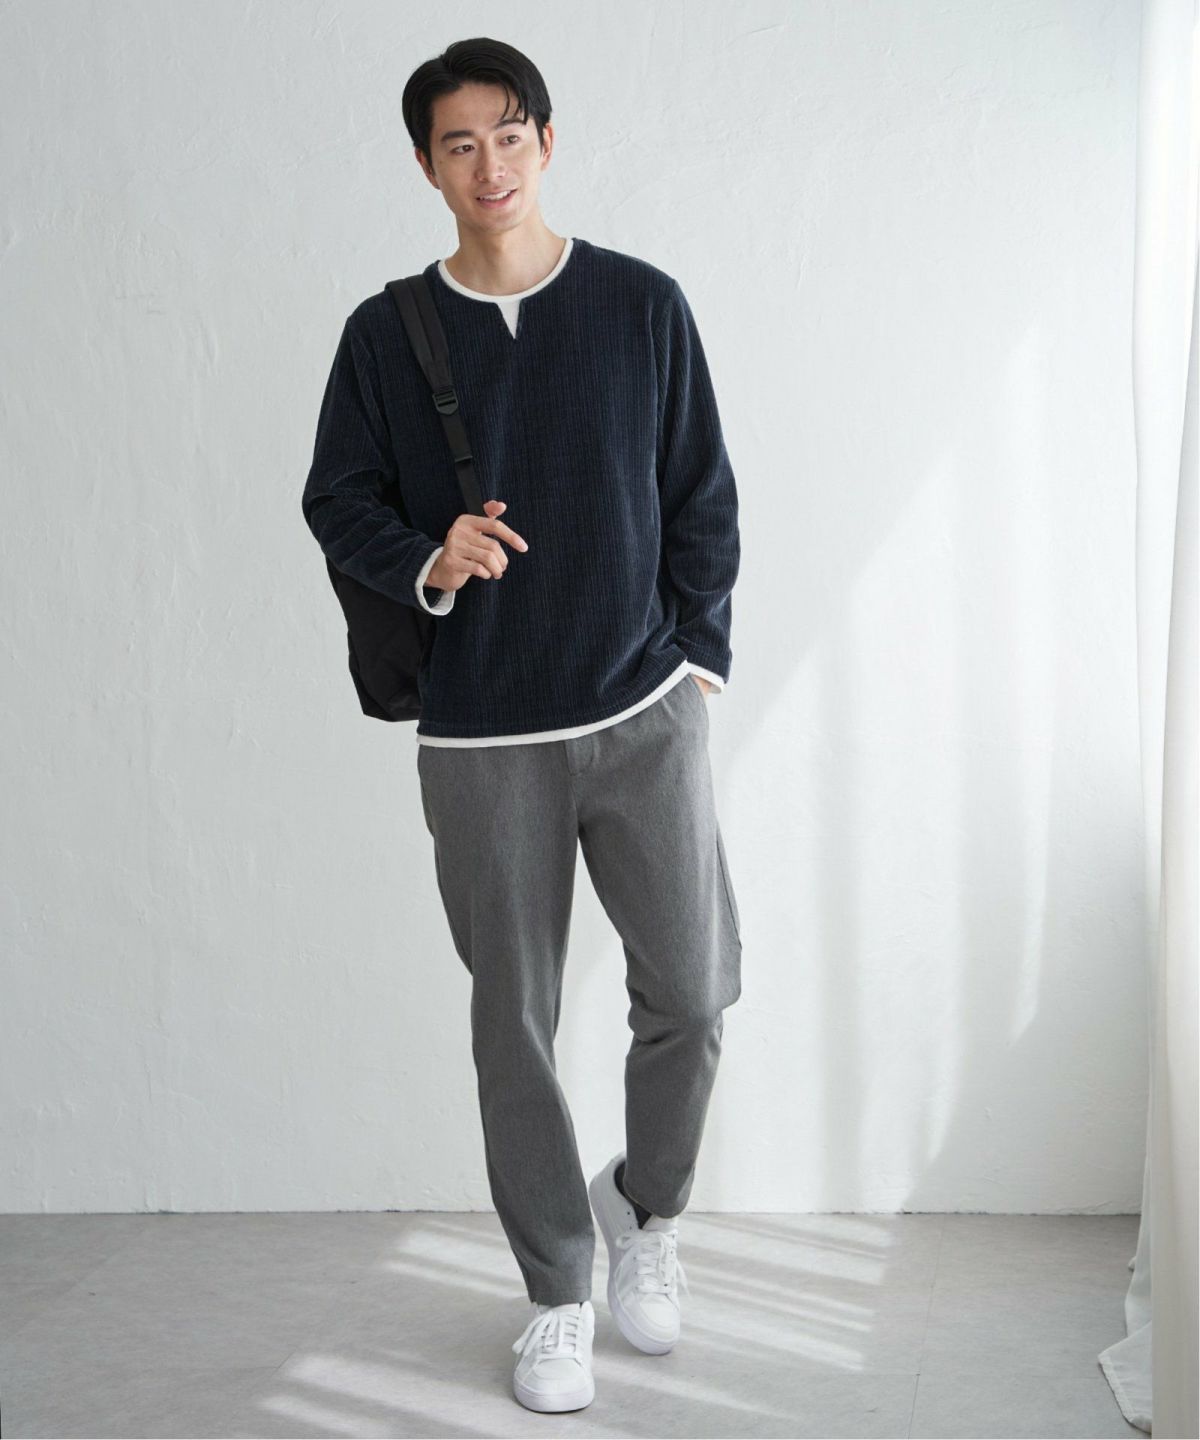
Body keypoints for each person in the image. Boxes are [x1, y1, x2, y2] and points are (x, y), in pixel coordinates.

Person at [301, 35, 742, 1416]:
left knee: (695, 992)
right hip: (483, 738)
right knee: (518, 1025)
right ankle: (557, 1290)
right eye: (458, 143)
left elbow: (700, 489)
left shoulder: (640, 304)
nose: (487, 164)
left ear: (545, 142)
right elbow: (336, 498)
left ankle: (645, 1211)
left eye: (507, 134)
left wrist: (701, 658)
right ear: (426, 166)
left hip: (644, 710)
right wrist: (428, 558)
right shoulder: (385, 336)